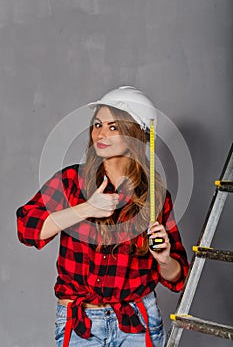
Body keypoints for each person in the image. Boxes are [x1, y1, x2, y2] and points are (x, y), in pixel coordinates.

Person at [16, 86, 189, 347]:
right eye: (97, 124)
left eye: (113, 127)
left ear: (135, 134)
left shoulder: (154, 195)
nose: (100, 133)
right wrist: (87, 208)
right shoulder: (71, 181)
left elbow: (177, 277)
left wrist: (164, 259)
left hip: (137, 322)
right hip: (79, 324)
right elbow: (27, 229)